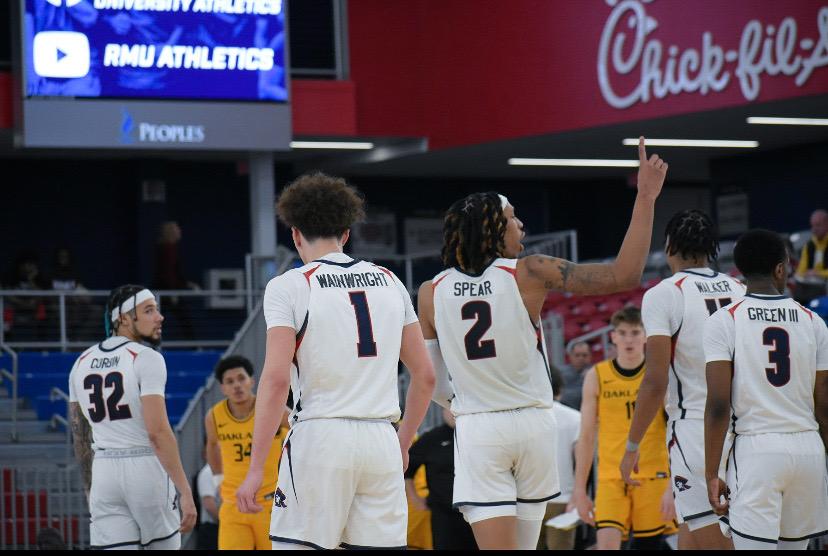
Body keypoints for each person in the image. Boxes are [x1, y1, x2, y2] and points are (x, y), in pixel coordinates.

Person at [417, 137, 668, 550]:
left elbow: (432, 381)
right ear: (493, 229)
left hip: (480, 426)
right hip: (536, 425)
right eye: (513, 219)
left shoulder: (430, 290)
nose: (522, 226)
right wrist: (645, 198)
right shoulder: (529, 272)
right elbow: (625, 275)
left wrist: (463, 405)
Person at [235, 172, 436, 550]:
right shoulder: (390, 280)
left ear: (295, 234)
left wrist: (256, 468)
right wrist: (403, 442)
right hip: (380, 439)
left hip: (321, 437)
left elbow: (276, 380)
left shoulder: (289, 286)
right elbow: (425, 375)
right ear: (346, 233)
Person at [620, 209, 743, 549]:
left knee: (715, 540)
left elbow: (655, 380)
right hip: (743, 426)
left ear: (669, 246)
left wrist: (632, 447)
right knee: (699, 534)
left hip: (696, 428)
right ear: (711, 248)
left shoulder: (664, 293)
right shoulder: (739, 288)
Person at [704, 229, 828, 550]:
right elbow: (824, 403)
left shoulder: (724, 320)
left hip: (757, 450)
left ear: (740, 271)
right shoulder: (813, 320)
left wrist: (711, 473)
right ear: (780, 269)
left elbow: (718, 404)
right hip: (808, 449)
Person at [67, 284, 196, 550]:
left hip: (103, 471)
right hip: (145, 468)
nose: (159, 317)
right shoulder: (146, 358)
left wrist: (90, 487)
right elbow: (158, 433)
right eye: (149, 310)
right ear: (123, 318)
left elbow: (79, 435)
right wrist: (185, 490)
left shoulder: (81, 362)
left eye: (157, 310)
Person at [571, 307, 676, 549]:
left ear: (646, 336)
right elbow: (586, 437)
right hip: (610, 477)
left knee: (648, 546)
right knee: (606, 542)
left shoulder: (658, 374)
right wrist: (579, 490)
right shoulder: (597, 376)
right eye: (623, 333)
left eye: (635, 332)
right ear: (613, 337)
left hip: (653, 476)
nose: (629, 339)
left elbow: (674, 431)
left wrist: (672, 485)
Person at [205, 355, 289, 550]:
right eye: (230, 381)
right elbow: (211, 446)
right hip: (233, 503)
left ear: (252, 380)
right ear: (222, 388)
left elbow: (300, 433)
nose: (237, 385)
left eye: (241, 378)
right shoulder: (214, 416)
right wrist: (218, 479)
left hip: (270, 504)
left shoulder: (273, 409)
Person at [405, 408, 477, 550]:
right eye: (450, 408)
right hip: (443, 515)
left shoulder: (479, 437)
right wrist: (414, 498)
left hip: (477, 512)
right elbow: (407, 469)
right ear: (443, 410)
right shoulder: (431, 439)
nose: (454, 412)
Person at [539, 370, 580, 550]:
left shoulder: (520, 417)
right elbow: (582, 463)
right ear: (560, 389)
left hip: (526, 498)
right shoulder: (575, 417)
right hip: (563, 497)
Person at [558, 341, 593, 410]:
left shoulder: (596, 373)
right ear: (570, 356)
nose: (581, 358)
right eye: (577, 355)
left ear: (590, 356)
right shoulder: (560, 373)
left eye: (584, 355)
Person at [195, 457, 219, 550]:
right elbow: (209, 504)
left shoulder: (226, 470)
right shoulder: (208, 472)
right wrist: (226, 519)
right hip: (211, 529)